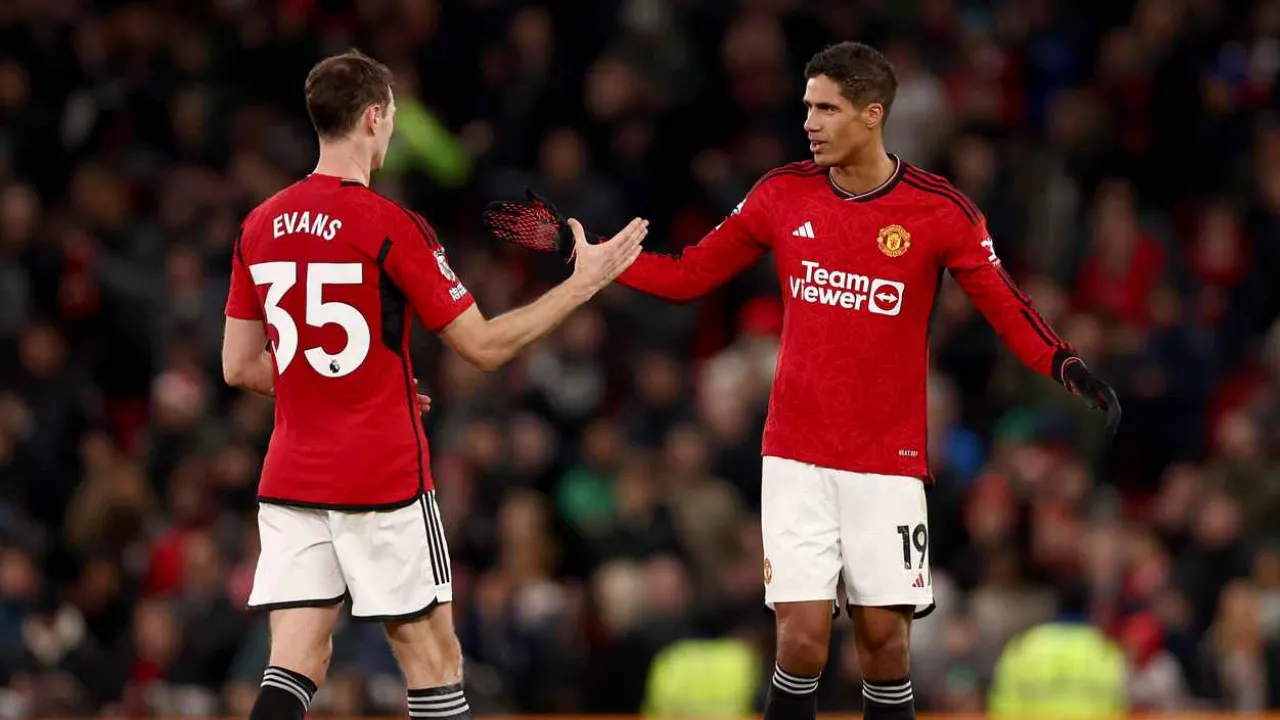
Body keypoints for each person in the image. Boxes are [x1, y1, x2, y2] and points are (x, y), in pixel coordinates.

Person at [483, 41, 1120, 720]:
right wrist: (581, 254)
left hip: (888, 457)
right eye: (806, 107)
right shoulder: (780, 195)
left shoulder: (940, 211)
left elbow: (1005, 304)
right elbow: (687, 274)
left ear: (872, 115)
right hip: (794, 453)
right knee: (804, 639)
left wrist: (1064, 363)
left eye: (827, 108)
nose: (810, 122)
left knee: (885, 646)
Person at [220, 49, 646, 720]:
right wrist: (583, 284)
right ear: (372, 119)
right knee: (433, 663)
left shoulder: (260, 223)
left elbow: (240, 366)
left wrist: (359, 383)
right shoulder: (391, 225)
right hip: (379, 475)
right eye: (392, 117)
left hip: (291, 477)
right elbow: (483, 346)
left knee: (294, 663)